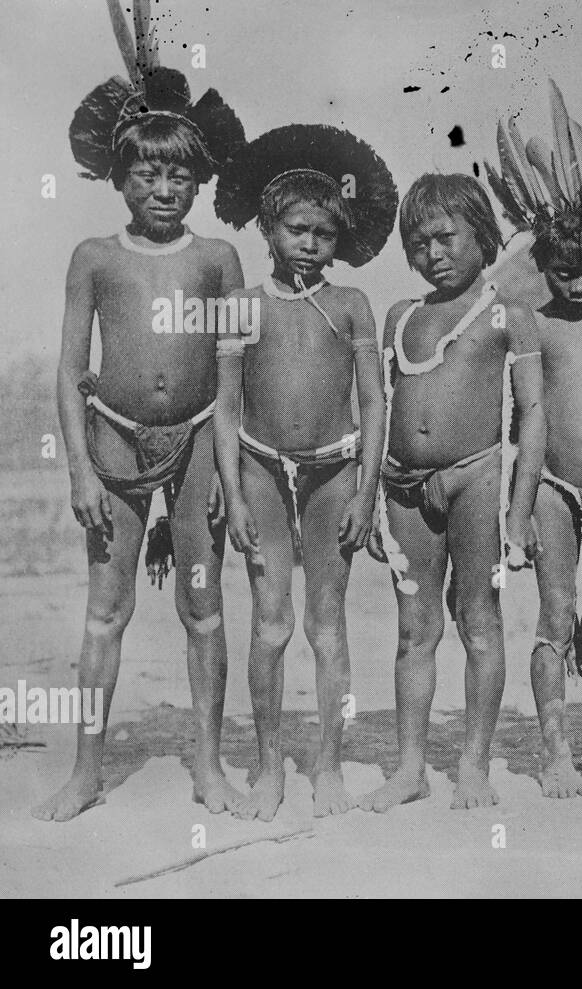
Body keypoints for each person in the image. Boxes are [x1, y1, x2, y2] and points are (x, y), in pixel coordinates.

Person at [36, 19, 246, 821]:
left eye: (180, 177)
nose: (164, 189)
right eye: (148, 175)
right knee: (107, 609)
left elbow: (231, 380)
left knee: (204, 606)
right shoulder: (94, 257)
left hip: (196, 444)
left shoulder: (219, 260)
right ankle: (86, 770)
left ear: (198, 181)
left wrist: (227, 471)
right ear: (118, 179)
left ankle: (210, 767)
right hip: (114, 441)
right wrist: (80, 470)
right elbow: (67, 369)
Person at [213, 124, 395, 819]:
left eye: (324, 232)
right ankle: (267, 767)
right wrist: (232, 495)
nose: (310, 242)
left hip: (333, 473)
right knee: (270, 623)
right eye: (297, 228)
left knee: (327, 623)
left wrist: (368, 489)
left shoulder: (351, 305)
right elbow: (227, 409)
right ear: (269, 229)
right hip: (260, 468)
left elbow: (374, 400)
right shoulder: (244, 306)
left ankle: (327, 764)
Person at [360, 173, 545, 811]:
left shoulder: (505, 314)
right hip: (404, 487)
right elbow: (378, 412)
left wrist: (517, 516)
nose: (432, 254)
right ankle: (411, 766)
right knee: (415, 629)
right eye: (417, 243)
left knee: (480, 623)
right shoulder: (399, 318)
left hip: (477, 483)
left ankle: (474, 765)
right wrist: (370, 498)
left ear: (482, 237)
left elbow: (534, 420)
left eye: (446, 238)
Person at [485, 84, 582, 797]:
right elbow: (530, 417)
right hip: (550, 483)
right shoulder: (530, 318)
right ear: (542, 259)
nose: (580, 281)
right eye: (564, 267)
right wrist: (516, 514)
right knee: (554, 615)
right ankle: (554, 751)